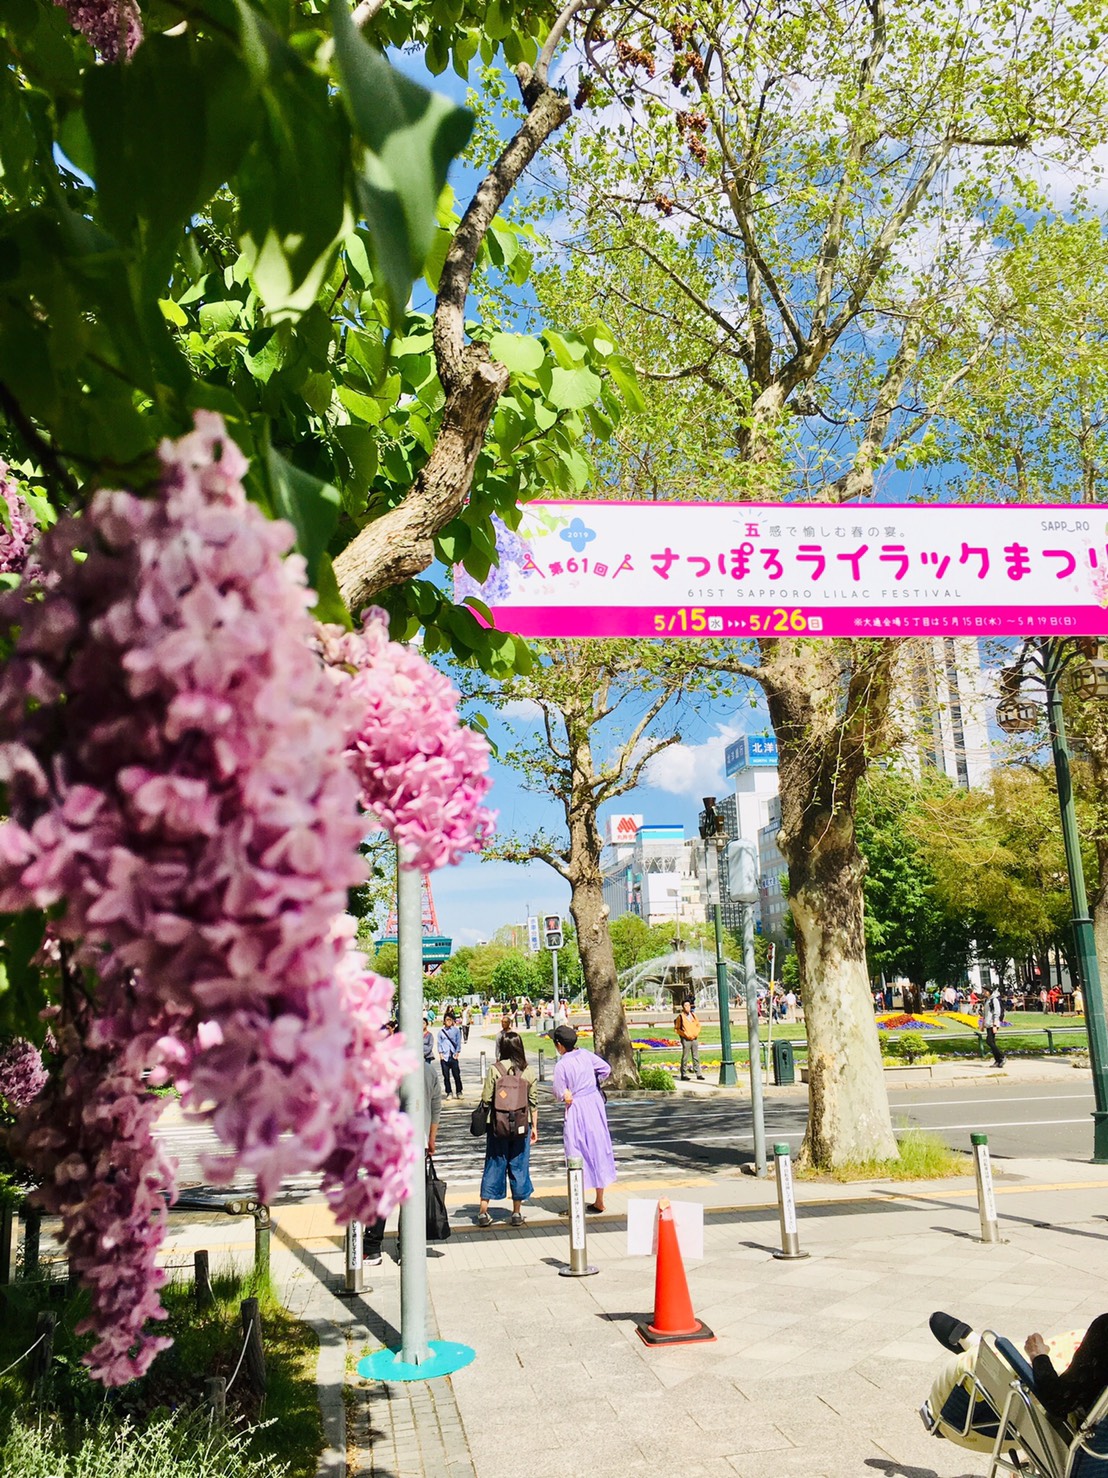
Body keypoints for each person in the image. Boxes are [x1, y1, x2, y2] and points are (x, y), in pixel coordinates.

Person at [929, 1310, 1108, 1426]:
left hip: (1077, 1440)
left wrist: (1038, 1356)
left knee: (1017, 1370)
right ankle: (977, 1348)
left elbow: (1059, 1403)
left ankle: (976, 1351)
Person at [363, 1017, 443, 1265]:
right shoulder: (429, 1071)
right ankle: (406, 1248)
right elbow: (436, 1108)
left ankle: (373, 1247)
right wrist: (431, 1140)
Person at [476, 1030, 538, 1228]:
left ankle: (483, 1212)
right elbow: (533, 1102)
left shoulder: (495, 1069)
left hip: (498, 1126)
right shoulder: (528, 1071)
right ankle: (517, 1212)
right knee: (519, 1165)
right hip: (522, 1126)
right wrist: (534, 1126)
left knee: (494, 1163)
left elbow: (486, 1098)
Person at [551, 1024, 616, 1213]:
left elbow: (558, 1092)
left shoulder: (562, 1065)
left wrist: (566, 1095)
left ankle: (575, 1203)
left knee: (575, 1150)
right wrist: (594, 1082)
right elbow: (605, 1068)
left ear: (560, 1045)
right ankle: (599, 1199)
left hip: (577, 1106)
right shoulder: (586, 1054)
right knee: (598, 1146)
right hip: (594, 1104)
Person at [674, 996, 705, 1081]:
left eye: (688, 1005)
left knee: (696, 1057)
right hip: (686, 1039)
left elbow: (698, 1025)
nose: (687, 1007)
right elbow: (677, 1029)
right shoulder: (680, 1017)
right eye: (685, 1006)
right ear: (683, 1007)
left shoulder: (693, 1015)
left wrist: (696, 1033)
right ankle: (683, 1074)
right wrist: (684, 1034)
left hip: (694, 1038)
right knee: (685, 1057)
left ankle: (698, 1074)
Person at [438, 1009, 463, 1098]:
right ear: (444, 1021)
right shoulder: (441, 1032)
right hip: (444, 1056)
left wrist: (457, 1052)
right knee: (446, 1076)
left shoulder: (456, 1031)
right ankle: (449, 1092)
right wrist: (440, 1054)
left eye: (450, 1020)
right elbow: (439, 1043)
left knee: (456, 1075)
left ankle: (459, 1091)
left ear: (452, 1021)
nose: (448, 1022)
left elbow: (458, 1042)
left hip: (453, 1055)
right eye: (447, 1020)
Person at [980, 986, 1005, 1068]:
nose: (984, 992)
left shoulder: (994, 1000)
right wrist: (983, 1024)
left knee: (989, 1041)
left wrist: (995, 1025)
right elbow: (985, 1014)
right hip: (988, 1024)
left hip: (993, 1024)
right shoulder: (987, 1000)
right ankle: (998, 1060)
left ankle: (1001, 1056)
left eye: (985, 991)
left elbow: (996, 1013)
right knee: (992, 1042)